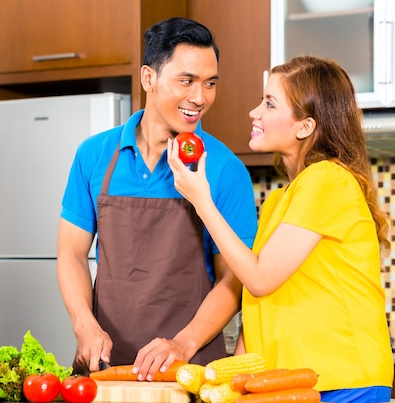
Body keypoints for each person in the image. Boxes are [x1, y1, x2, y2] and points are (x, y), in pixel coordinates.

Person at [167, 55, 394, 403]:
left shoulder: (328, 181)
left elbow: (259, 278)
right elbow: (258, 300)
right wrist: (234, 378)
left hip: (342, 382)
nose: (254, 113)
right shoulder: (278, 200)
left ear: (305, 127)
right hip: (286, 387)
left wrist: (202, 201)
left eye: (269, 103)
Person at [56, 17, 258, 381]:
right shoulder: (94, 155)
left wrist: (182, 343)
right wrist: (84, 324)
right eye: (187, 81)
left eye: (210, 84)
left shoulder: (225, 170)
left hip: (188, 372)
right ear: (149, 78)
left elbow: (233, 281)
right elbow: (70, 252)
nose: (200, 98)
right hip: (105, 369)